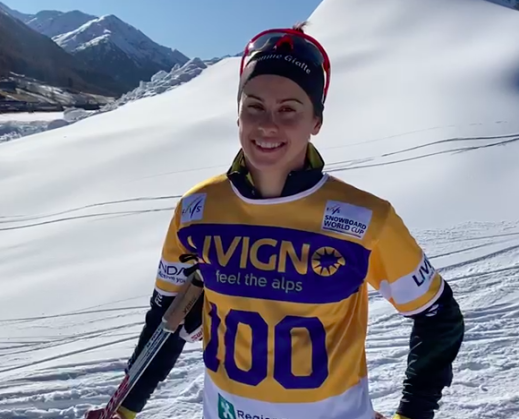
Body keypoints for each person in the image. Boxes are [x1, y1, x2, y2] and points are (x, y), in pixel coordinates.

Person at [89, 22, 465, 419]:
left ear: (316, 121)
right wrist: (123, 410)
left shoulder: (364, 219)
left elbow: (438, 316)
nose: (268, 124)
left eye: (288, 109)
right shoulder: (197, 211)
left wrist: (413, 413)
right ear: (238, 114)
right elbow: (167, 318)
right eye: (254, 106)